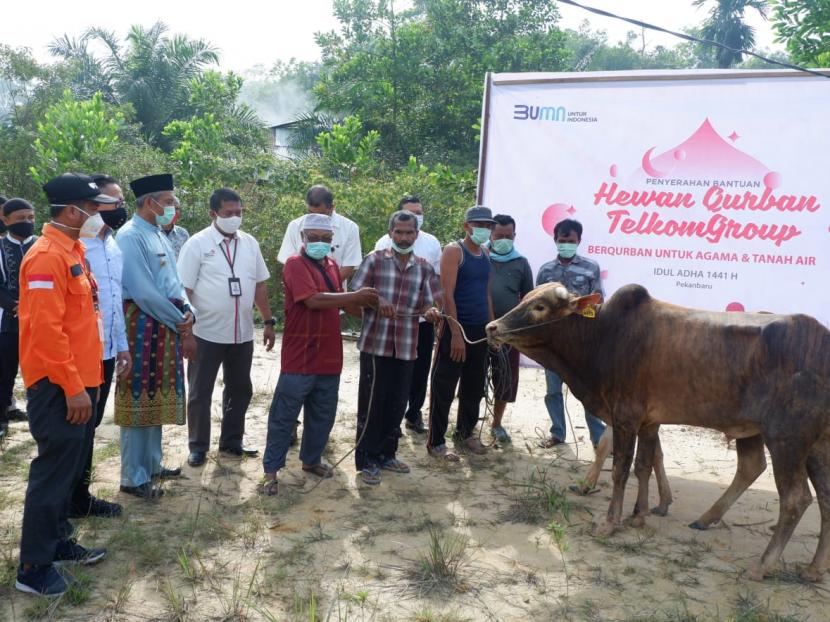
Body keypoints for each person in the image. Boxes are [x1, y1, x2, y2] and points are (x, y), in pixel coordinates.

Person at [15, 173, 117, 596]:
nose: (98, 216)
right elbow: (46, 332)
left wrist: (87, 384)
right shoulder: (44, 257)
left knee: (67, 469)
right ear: (73, 210)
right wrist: (74, 387)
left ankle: (56, 542)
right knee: (52, 473)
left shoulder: (73, 250)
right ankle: (33, 568)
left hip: (79, 381)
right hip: (58, 386)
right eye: (93, 208)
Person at [260, 214, 378, 495]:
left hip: (328, 353)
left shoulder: (332, 265)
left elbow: (342, 302)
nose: (320, 243)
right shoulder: (294, 264)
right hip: (300, 355)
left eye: (326, 239)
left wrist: (374, 312)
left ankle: (311, 460)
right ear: (303, 238)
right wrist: (356, 297)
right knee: (284, 416)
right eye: (314, 238)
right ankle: (270, 472)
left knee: (322, 414)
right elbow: (313, 300)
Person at [177, 188, 275, 467]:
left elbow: (259, 284)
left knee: (240, 388)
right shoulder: (197, 244)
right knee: (200, 391)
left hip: (242, 333)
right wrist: (187, 333)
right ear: (213, 214)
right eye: (228, 213)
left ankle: (232, 440)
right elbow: (183, 290)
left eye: (239, 212)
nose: (235, 217)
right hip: (205, 332)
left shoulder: (250, 243)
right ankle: (198, 446)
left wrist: (267, 321)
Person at [114, 174, 196, 499]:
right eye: (170, 202)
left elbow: (175, 283)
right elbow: (144, 292)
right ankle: (133, 478)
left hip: (164, 326)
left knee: (156, 396)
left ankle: (151, 465)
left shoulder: (159, 234)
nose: (174, 208)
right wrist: (181, 321)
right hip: (141, 327)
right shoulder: (130, 236)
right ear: (151, 203)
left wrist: (189, 311)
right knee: (137, 398)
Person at [351, 210, 442, 485]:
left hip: (406, 345)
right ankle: (367, 459)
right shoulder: (375, 260)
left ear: (417, 234)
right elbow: (356, 293)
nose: (404, 237)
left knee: (397, 401)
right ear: (390, 233)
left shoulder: (424, 266)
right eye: (399, 232)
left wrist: (432, 312)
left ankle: (387, 454)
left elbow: (430, 301)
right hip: (375, 344)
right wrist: (377, 302)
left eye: (409, 232)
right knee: (372, 403)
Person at [65, 175, 131, 519]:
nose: (119, 209)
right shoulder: (75, 247)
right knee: (72, 432)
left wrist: (122, 347)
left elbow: (114, 301)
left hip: (106, 354)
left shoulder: (112, 244)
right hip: (79, 354)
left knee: (89, 428)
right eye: (113, 202)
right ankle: (64, 502)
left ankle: (80, 496)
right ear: (90, 206)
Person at [427, 206, 496, 460]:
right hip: (456, 326)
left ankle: (465, 433)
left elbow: (486, 293)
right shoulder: (454, 251)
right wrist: (455, 334)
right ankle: (436, 442)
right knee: (444, 384)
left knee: (474, 386)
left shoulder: (486, 253)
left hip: (480, 330)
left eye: (488, 225)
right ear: (466, 226)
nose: (484, 229)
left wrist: (492, 327)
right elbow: (447, 294)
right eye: (479, 224)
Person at [373, 195, 442, 434]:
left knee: (420, 369)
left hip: (422, 320)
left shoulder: (432, 242)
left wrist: (437, 311)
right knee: (393, 371)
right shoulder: (383, 243)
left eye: (419, 212)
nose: (416, 216)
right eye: (411, 212)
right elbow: (371, 285)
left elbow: (437, 281)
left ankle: (414, 413)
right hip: (391, 321)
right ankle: (392, 417)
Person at [536, 218, 606, 449]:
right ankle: (557, 433)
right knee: (553, 390)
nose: (566, 244)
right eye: (562, 240)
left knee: (589, 392)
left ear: (579, 241)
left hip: (582, 343)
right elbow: (536, 304)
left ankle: (599, 438)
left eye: (571, 240)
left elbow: (599, 301)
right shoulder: (546, 270)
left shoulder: (590, 267)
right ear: (555, 240)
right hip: (553, 342)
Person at [488, 214, 534, 444]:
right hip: (478, 328)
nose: (503, 240)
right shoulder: (479, 256)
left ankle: (496, 423)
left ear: (514, 236)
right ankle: (466, 424)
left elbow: (528, 300)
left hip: (508, 333)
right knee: (472, 377)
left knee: (505, 377)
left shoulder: (522, 263)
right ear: (490, 235)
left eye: (508, 236)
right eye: (499, 236)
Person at [0, 198, 37, 440]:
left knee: (38, 371)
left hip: (41, 320)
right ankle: (2, 417)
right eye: (20, 219)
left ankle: (39, 417)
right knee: (6, 370)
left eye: (30, 218)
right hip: (10, 320)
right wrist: (17, 306)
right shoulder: (1, 247)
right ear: (5, 220)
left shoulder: (42, 246)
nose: (26, 223)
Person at [277, 185, 362, 283]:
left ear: (332, 207)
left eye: (321, 214)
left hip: (336, 294)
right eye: (311, 213)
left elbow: (349, 265)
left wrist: (327, 287)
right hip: (302, 289)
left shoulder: (350, 228)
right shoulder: (295, 226)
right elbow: (288, 263)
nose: (316, 218)